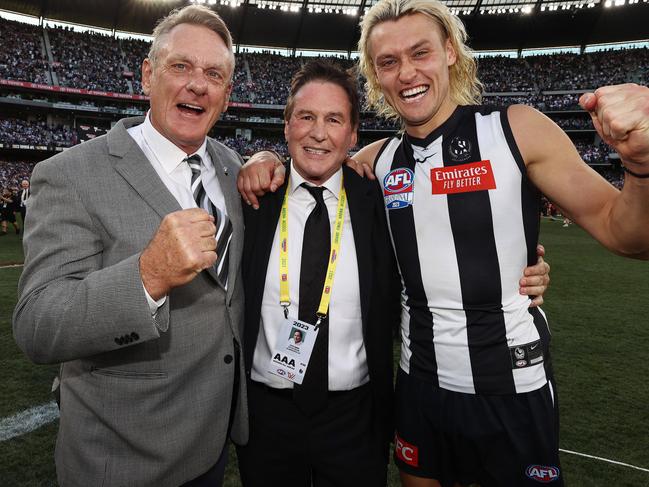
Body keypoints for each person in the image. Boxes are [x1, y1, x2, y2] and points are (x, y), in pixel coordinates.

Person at [237, 1, 649, 486]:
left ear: (450, 52)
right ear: (376, 75)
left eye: (420, 53)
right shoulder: (378, 162)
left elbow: (627, 236)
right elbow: (310, 168)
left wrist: (640, 164)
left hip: (511, 387)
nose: (406, 72)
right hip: (419, 388)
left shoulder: (516, 130)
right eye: (388, 62)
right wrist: (262, 158)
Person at [13, 5, 247, 487]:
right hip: (123, 455)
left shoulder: (231, 166)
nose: (197, 84)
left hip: (211, 442)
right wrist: (147, 275)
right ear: (147, 75)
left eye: (214, 74)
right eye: (180, 66)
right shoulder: (70, 174)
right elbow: (38, 325)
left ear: (226, 94)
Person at [236, 60, 401, 487]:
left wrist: (525, 269)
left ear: (352, 134)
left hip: (355, 418)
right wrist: (261, 156)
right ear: (287, 125)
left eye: (334, 120)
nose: (318, 132)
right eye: (306, 117)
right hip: (266, 415)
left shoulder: (378, 202)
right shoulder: (254, 199)